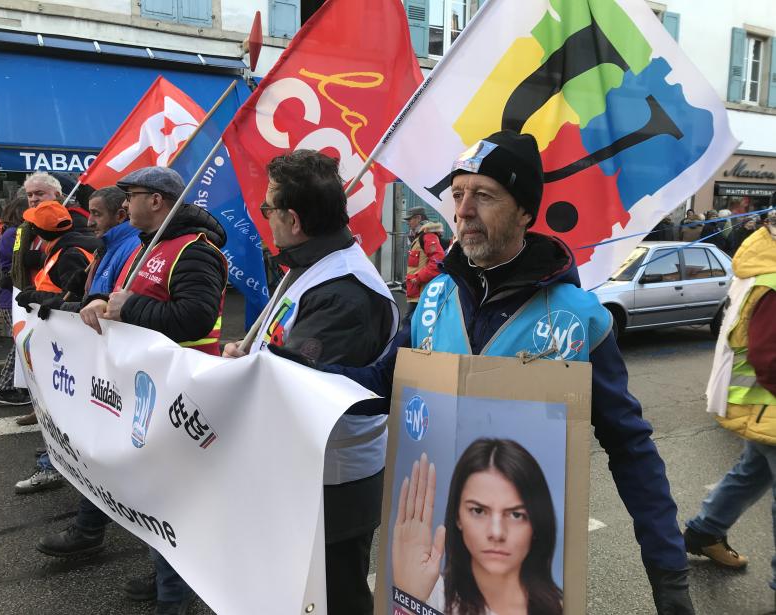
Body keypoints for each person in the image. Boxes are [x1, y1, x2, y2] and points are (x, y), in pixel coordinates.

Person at [273, 131, 696, 614]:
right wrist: (289, 370)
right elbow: (375, 385)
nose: (463, 211)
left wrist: (669, 573)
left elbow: (631, 447)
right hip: (430, 566)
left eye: (484, 195)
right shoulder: (434, 299)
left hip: (520, 576)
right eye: (457, 195)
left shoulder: (580, 320)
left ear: (524, 212)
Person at [222, 150, 397, 615]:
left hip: (335, 483)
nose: (266, 220)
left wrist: (252, 367)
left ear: (293, 219)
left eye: (267, 210)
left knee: (336, 597)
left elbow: (302, 388)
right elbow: (283, 347)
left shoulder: (344, 290)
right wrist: (250, 350)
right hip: (307, 472)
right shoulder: (309, 265)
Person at [80, 166, 228, 615]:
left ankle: (174, 596)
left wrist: (130, 306)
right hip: (144, 392)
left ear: (159, 201)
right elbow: (123, 302)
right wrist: (102, 303)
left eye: (133, 195)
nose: (124, 204)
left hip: (180, 393)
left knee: (170, 496)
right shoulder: (146, 247)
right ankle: (168, 576)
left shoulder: (194, 251)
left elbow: (196, 317)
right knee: (151, 493)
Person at [33, 186, 141, 559]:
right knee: (98, 449)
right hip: (102, 363)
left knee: (109, 452)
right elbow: (101, 296)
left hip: (121, 367)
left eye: (96, 213)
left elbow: (114, 304)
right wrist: (71, 299)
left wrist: (82, 304)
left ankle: (166, 569)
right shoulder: (110, 244)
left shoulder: (130, 247)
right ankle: (91, 527)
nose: (89, 220)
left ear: (120, 214)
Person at [683, 208, 776, 586]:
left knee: (751, 473)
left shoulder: (766, 264)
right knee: (750, 473)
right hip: (767, 406)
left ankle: (705, 532)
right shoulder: (770, 278)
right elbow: (768, 358)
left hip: (762, 409)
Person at [393, 440, 561, 615]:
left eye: (515, 515)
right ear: (458, 516)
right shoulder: (432, 597)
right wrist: (409, 601)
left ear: (536, 523)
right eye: (479, 511)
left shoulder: (558, 607)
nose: (496, 532)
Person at [13, 200, 100, 492]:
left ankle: (56, 466)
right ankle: (56, 455)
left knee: (64, 409)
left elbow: (70, 300)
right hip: (63, 346)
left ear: (39, 231)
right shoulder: (66, 248)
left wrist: (38, 296)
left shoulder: (70, 254)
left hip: (68, 349)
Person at [0, 197, 32, 406]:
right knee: (19, 344)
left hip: (10, 297)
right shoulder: (13, 234)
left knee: (20, 343)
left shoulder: (9, 232)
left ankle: (11, 386)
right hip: (12, 298)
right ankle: (5, 388)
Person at [403, 206, 446, 309]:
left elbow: (438, 261)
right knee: (410, 322)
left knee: (409, 322)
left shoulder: (427, 235)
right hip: (416, 294)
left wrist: (418, 278)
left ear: (418, 218)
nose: (408, 222)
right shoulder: (419, 236)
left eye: (410, 219)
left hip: (423, 294)